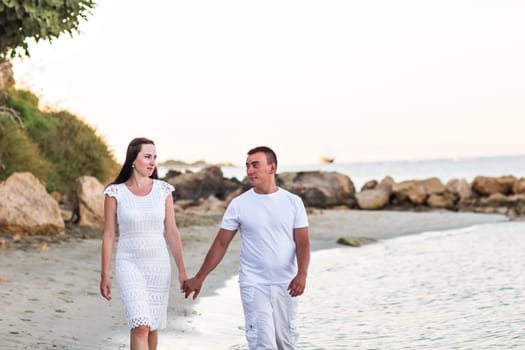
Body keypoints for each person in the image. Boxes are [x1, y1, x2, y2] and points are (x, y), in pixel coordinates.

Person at [183, 146, 310, 350]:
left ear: (272, 167)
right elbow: (221, 244)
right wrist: (200, 277)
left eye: (255, 165)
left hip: (286, 284)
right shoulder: (239, 204)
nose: (250, 170)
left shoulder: (293, 202)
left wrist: (302, 274)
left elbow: (302, 242)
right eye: (247, 166)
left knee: (286, 344)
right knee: (262, 344)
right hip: (253, 283)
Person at [100, 137, 187, 350]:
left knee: (151, 326)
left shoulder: (163, 190)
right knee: (140, 325)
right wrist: (104, 273)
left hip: (158, 265)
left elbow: (172, 232)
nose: (152, 162)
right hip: (129, 264)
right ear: (133, 159)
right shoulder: (115, 192)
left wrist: (182, 270)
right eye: (147, 156)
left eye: (155, 157)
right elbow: (109, 234)